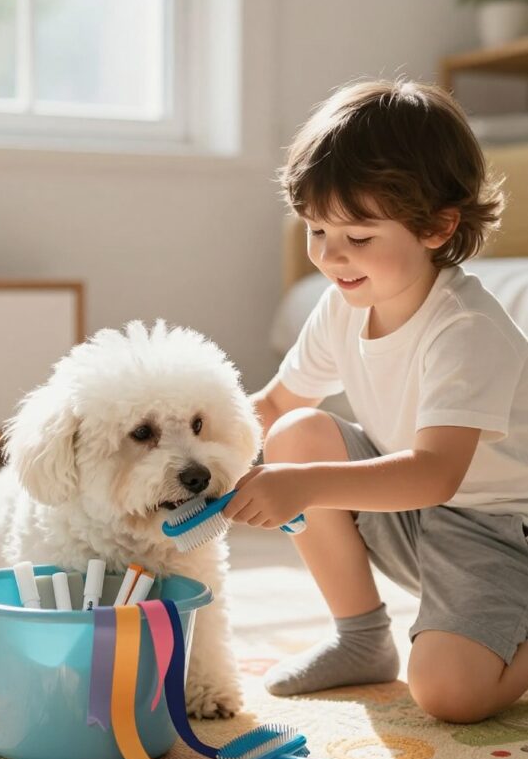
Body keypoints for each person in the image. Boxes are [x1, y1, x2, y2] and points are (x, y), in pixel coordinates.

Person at [224, 78, 528, 724]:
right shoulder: (342, 305)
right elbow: (275, 406)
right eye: (314, 231)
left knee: (449, 693)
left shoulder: (465, 329)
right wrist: (192, 458)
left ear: (436, 226)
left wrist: (300, 488)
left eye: (357, 238)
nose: (330, 258)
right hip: (419, 515)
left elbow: (433, 473)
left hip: (499, 528)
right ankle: (361, 637)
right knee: (298, 432)